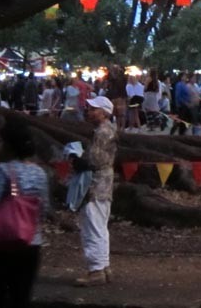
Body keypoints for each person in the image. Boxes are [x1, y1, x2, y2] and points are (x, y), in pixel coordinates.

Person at [0, 118, 50, 308]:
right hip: (30, 242)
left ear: (8, 146)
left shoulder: (3, 171)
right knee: (21, 297)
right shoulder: (40, 173)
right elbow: (44, 208)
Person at [72, 96, 118, 286]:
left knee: (92, 226)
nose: (89, 111)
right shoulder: (107, 130)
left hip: (96, 184)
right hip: (104, 183)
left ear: (104, 112)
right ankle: (103, 266)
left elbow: (94, 160)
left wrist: (77, 159)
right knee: (100, 226)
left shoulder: (102, 132)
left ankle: (96, 270)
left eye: (93, 109)